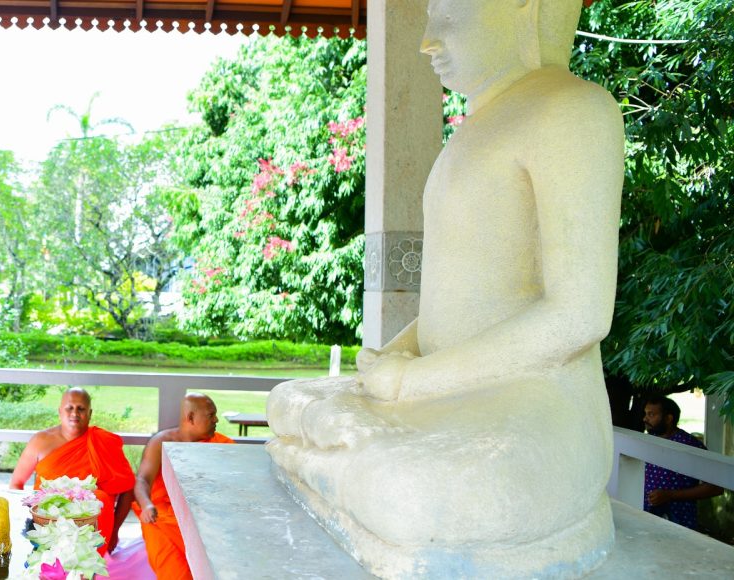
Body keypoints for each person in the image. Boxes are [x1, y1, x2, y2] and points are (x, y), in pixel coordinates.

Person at [264, 1, 624, 576]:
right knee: (289, 401)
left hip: (532, 402)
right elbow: (455, 296)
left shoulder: (573, 109)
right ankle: (348, 466)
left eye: (451, 15)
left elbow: (580, 313)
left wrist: (412, 382)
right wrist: (402, 352)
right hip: (445, 393)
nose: (428, 41)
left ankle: (350, 470)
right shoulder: (474, 129)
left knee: (407, 492)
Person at [9, 387, 136, 554]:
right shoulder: (41, 441)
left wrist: (115, 530)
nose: (74, 413)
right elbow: (16, 483)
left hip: (92, 529)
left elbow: (128, 488)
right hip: (48, 524)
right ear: (60, 411)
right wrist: (24, 520)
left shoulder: (104, 442)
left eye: (81, 408)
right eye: (69, 408)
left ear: (90, 413)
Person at [133, 393, 232, 579]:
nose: (216, 420)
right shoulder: (162, 442)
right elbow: (142, 480)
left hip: (204, 517)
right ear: (191, 417)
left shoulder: (221, 445)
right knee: (174, 571)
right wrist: (146, 505)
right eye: (211, 415)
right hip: (162, 517)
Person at [642, 395, 724, 531]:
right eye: (646, 414)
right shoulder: (647, 441)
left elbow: (715, 487)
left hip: (679, 522)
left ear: (668, 418)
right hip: (646, 519)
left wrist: (670, 495)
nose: (645, 419)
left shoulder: (690, 446)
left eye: (651, 414)